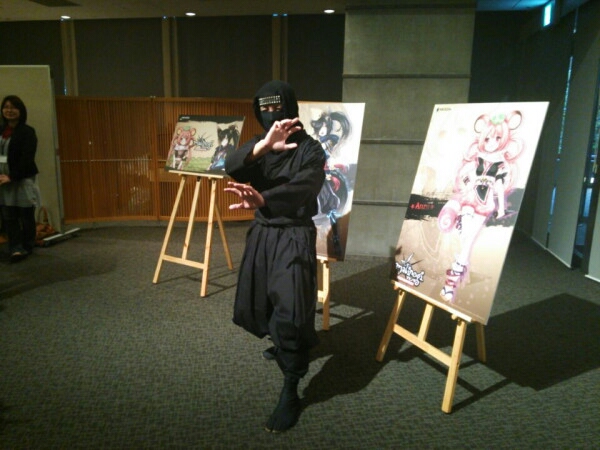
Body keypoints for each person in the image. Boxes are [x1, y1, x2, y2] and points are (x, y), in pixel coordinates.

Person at [224, 80, 326, 433]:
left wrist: (265, 199)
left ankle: (291, 387)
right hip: (263, 234)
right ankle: (281, 342)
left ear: (290, 107)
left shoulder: (311, 149)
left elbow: (307, 186)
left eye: (277, 107)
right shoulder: (261, 144)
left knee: (292, 308)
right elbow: (232, 164)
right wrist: (265, 146)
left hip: (293, 234)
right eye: (264, 109)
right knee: (260, 300)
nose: (271, 114)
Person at [0, 95, 39, 263]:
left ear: (20, 110)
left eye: (13, 107)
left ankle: (27, 245)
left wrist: (12, 176)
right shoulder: (1, 130)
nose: (9, 110)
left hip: (21, 178)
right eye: (6, 107)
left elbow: (27, 158)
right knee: (9, 216)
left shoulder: (27, 131)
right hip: (3, 180)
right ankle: (15, 248)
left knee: (25, 214)